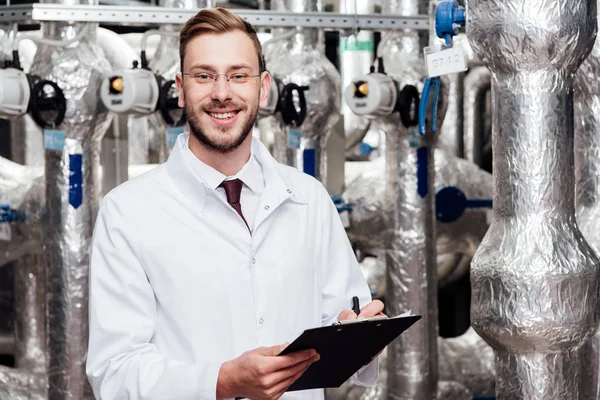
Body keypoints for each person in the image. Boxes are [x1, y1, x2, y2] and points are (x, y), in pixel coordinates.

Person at [86, 7, 384, 400]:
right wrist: (222, 381)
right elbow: (115, 372)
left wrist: (357, 334)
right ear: (179, 87)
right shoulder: (128, 213)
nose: (222, 92)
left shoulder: (308, 198)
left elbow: (340, 318)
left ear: (262, 88)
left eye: (238, 75)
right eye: (204, 76)